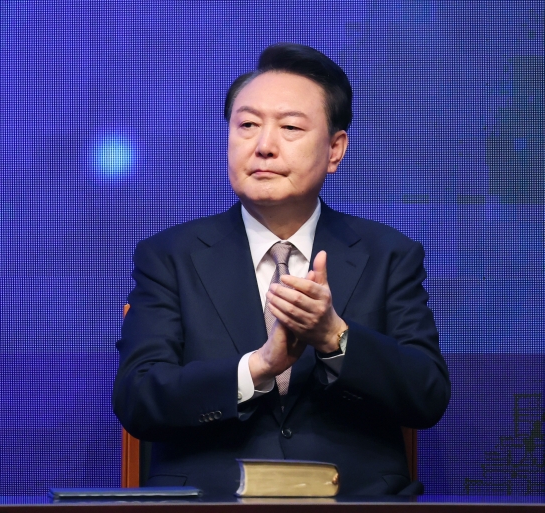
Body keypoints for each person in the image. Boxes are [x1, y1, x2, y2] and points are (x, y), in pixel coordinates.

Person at [113, 43, 450, 497]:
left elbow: (427, 395)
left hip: (356, 502)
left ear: (335, 149)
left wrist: (335, 338)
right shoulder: (170, 255)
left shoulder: (389, 254)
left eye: (290, 127)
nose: (264, 146)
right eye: (247, 125)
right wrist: (258, 367)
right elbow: (138, 397)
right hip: (209, 504)